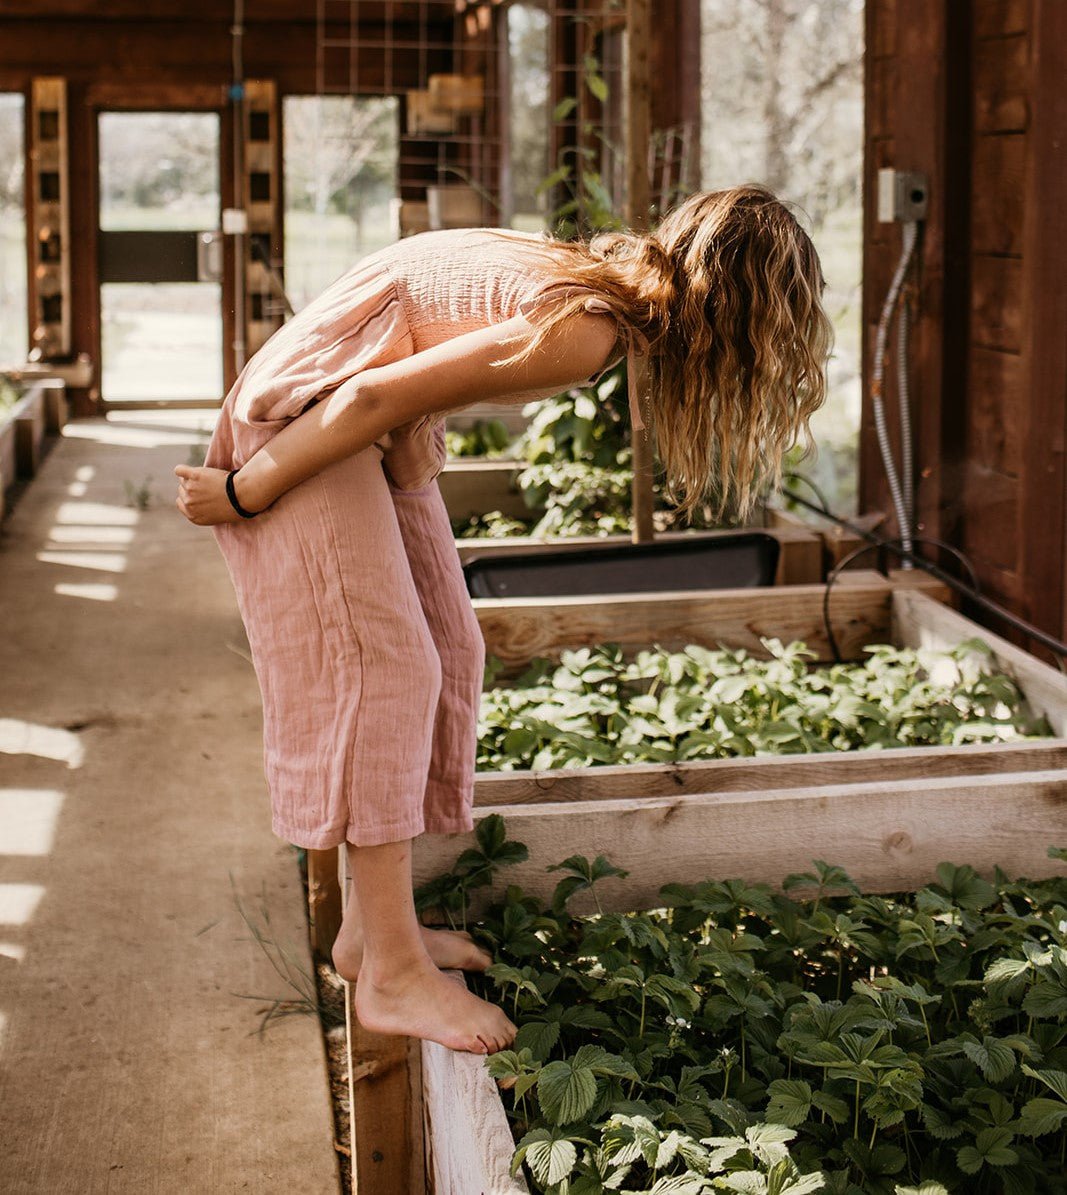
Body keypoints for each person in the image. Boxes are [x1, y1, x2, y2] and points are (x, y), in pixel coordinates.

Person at [174, 185, 832, 1055]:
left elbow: (403, 360)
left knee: (449, 643)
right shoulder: (585, 327)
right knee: (385, 673)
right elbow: (367, 396)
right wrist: (242, 491)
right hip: (308, 423)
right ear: (734, 315)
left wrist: (408, 473)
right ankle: (396, 977)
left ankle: (374, 935)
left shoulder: (593, 284)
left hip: (361, 425)